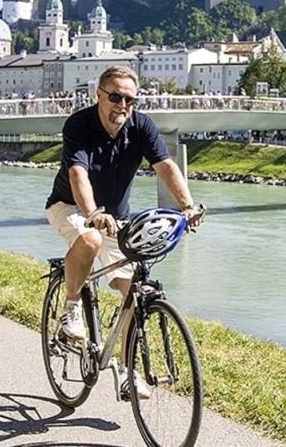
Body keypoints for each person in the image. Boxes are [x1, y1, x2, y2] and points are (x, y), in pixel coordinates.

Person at [45, 66, 203, 399]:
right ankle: (71, 309)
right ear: (99, 95)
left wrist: (187, 206)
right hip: (70, 206)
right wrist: (92, 213)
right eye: (115, 97)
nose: (122, 105)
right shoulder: (80, 124)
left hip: (116, 217)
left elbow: (164, 165)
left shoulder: (140, 125)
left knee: (134, 290)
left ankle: (128, 372)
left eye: (129, 99)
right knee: (89, 238)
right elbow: (77, 174)